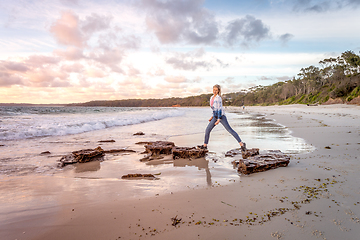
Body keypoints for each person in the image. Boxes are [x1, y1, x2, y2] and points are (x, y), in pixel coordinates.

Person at [198, 84, 246, 151]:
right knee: (207, 130)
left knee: (230, 130)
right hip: (215, 116)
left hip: (221, 116)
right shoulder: (211, 97)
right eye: (214, 90)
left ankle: (242, 144)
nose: (215, 91)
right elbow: (214, 109)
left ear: (218, 91)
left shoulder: (218, 98)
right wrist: (212, 117)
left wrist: (218, 119)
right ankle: (205, 146)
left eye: (216, 90)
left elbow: (219, 109)